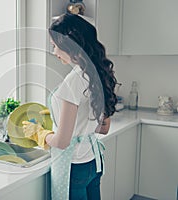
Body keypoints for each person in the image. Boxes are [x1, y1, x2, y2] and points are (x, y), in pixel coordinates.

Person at [22, 13, 118, 200]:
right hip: (92, 162)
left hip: (74, 167)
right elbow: (103, 128)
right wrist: (63, 116)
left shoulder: (73, 81)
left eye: (55, 46)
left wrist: (39, 133)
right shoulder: (97, 73)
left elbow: (62, 142)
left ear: (72, 46)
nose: (54, 52)